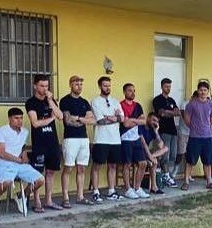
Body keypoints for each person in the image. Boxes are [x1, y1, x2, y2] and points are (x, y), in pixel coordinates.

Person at [0, 107, 44, 218]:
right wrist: (19, 160)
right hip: (2, 164)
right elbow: (1, 153)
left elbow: (22, 147)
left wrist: (24, 158)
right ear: (9, 118)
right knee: (7, 182)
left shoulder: (25, 132)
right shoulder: (1, 131)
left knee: (40, 180)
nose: (19, 121)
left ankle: (20, 196)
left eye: (21, 118)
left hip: (19, 164)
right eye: (16, 118)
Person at [25, 73, 64, 211]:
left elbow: (60, 116)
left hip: (53, 142)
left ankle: (48, 200)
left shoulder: (50, 100)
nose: (45, 88)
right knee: (38, 173)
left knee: (51, 172)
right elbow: (35, 123)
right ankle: (36, 201)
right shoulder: (31, 102)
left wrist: (50, 100)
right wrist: (51, 119)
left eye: (47, 86)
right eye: (42, 86)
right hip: (39, 143)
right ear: (35, 86)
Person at [59, 74, 93, 207]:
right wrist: (83, 120)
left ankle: (80, 196)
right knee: (68, 168)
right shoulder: (65, 101)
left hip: (84, 138)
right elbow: (67, 121)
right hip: (70, 139)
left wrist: (78, 118)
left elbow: (92, 120)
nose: (79, 86)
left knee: (81, 168)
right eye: (76, 84)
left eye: (81, 84)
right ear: (71, 85)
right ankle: (65, 197)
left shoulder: (84, 102)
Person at [90, 75, 123, 203]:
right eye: (105, 85)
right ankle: (95, 191)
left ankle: (111, 191)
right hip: (101, 139)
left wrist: (108, 117)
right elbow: (100, 121)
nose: (107, 88)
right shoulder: (95, 101)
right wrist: (114, 117)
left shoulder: (115, 101)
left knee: (113, 165)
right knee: (97, 165)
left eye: (109, 85)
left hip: (115, 139)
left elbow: (122, 118)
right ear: (100, 86)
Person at [181, 81, 212, 191]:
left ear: (208, 91)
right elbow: (186, 118)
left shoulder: (211, 104)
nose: (203, 92)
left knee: (208, 161)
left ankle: (209, 181)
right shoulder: (192, 104)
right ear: (198, 90)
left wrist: (208, 128)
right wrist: (194, 128)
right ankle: (186, 181)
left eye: (205, 90)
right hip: (195, 137)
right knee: (190, 161)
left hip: (208, 137)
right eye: (201, 90)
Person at [119, 82, 148, 199]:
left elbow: (144, 121)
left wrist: (132, 120)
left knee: (143, 163)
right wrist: (137, 120)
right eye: (130, 90)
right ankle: (128, 189)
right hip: (125, 138)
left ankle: (137, 188)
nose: (132, 93)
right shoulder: (120, 105)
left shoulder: (138, 106)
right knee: (127, 164)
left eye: (134, 90)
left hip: (136, 138)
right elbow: (125, 124)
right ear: (124, 92)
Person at [152, 77, 180, 186]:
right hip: (163, 130)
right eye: (166, 86)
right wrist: (171, 112)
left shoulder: (172, 100)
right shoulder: (157, 99)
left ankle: (165, 174)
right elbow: (161, 113)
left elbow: (178, 113)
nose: (168, 88)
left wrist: (169, 112)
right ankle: (166, 175)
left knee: (173, 155)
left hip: (173, 130)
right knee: (165, 156)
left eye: (169, 86)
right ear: (162, 87)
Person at [138, 113, 168, 194]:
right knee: (154, 162)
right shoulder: (141, 126)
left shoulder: (152, 129)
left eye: (157, 121)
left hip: (147, 152)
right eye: (153, 120)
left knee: (166, 148)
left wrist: (156, 131)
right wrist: (150, 157)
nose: (155, 123)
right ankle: (154, 187)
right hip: (138, 150)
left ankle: (154, 187)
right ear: (148, 118)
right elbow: (143, 144)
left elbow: (161, 145)